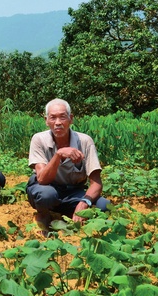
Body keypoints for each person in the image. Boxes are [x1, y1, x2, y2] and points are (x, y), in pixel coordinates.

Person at [26, 98, 110, 232]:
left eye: (62, 117)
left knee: (104, 205)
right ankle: (44, 214)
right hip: (48, 189)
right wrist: (58, 155)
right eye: (53, 118)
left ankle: (69, 213)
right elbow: (42, 179)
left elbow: (96, 183)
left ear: (71, 119)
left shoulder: (85, 141)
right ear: (46, 120)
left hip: (73, 193)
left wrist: (84, 202)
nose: (58, 122)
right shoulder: (39, 139)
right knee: (46, 195)